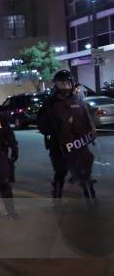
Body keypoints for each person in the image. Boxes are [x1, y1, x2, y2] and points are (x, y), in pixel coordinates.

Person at [37, 70, 96, 200]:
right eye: (61, 84)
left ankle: (90, 193)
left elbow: (89, 115)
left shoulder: (77, 99)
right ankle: (57, 197)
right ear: (56, 85)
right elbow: (41, 123)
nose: (64, 86)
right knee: (61, 171)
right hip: (59, 145)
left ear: (72, 84)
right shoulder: (50, 103)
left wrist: (90, 131)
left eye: (67, 83)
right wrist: (53, 132)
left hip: (78, 143)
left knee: (86, 166)